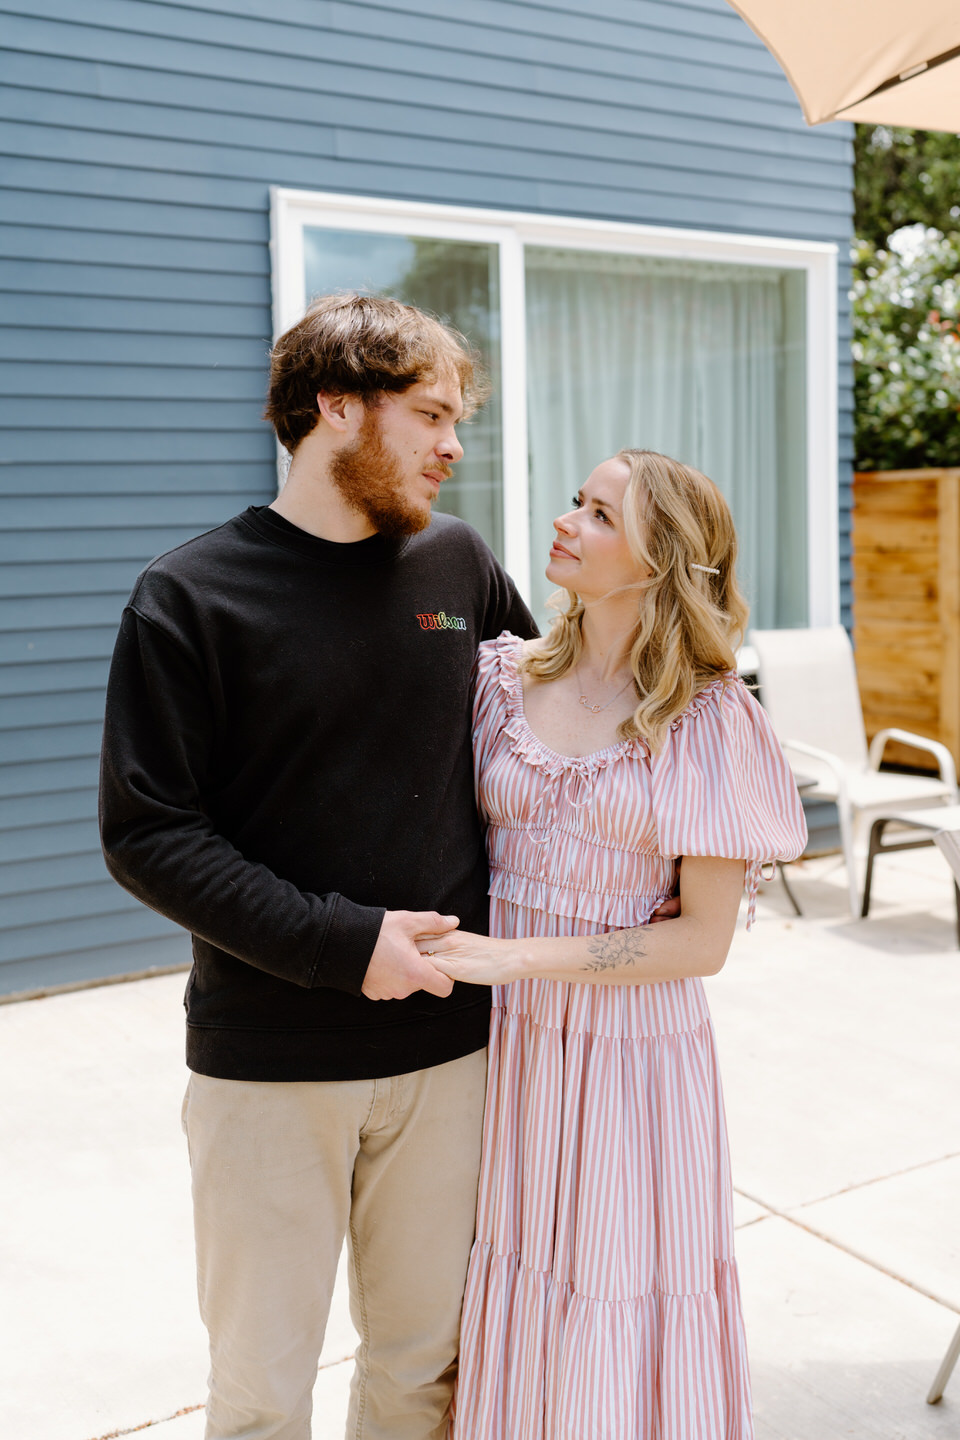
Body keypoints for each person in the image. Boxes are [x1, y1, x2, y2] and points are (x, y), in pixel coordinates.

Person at [98, 293, 538, 1440]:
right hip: (269, 1067)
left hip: (450, 1050)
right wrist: (350, 947)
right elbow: (148, 833)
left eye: (459, 419)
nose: (455, 444)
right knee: (259, 1390)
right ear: (336, 407)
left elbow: (549, 732)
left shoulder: (457, 562)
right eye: (432, 414)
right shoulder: (190, 598)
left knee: (423, 1369)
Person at [417, 449, 807, 1440]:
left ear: (657, 560)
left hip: (634, 1066)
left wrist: (517, 960)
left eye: (598, 513)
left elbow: (704, 943)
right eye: (576, 502)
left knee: (615, 1293)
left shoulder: (711, 720)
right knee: (517, 1273)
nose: (563, 521)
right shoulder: (500, 678)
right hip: (508, 1052)